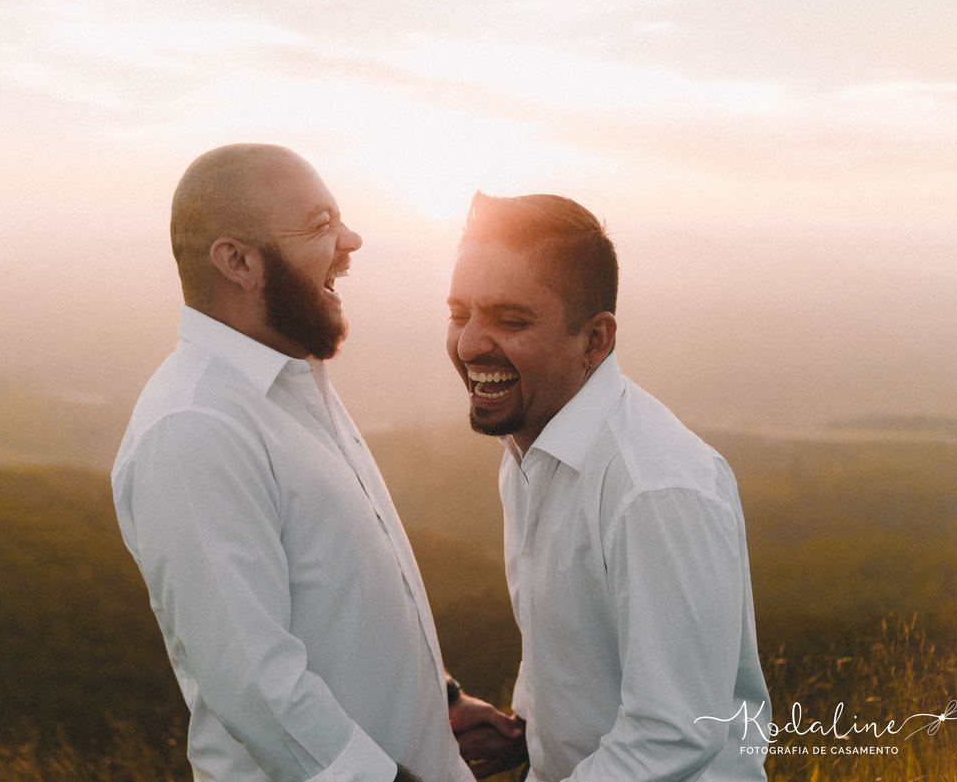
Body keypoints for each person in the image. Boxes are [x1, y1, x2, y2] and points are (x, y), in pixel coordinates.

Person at [112, 144, 519, 782]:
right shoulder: (195, 429)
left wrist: (436, 701)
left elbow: (338, 590)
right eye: (320, 224)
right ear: (238, 261)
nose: (351, 239)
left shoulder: (293, 380)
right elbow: (258, 687)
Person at [444, 192, 772, 782]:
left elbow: (674, 732)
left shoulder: (655, 489)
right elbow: (566, 642)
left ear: (595, 340)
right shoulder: (528, 447)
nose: (468, 344)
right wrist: (528, 730)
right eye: (459, 313)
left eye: (510, 320)